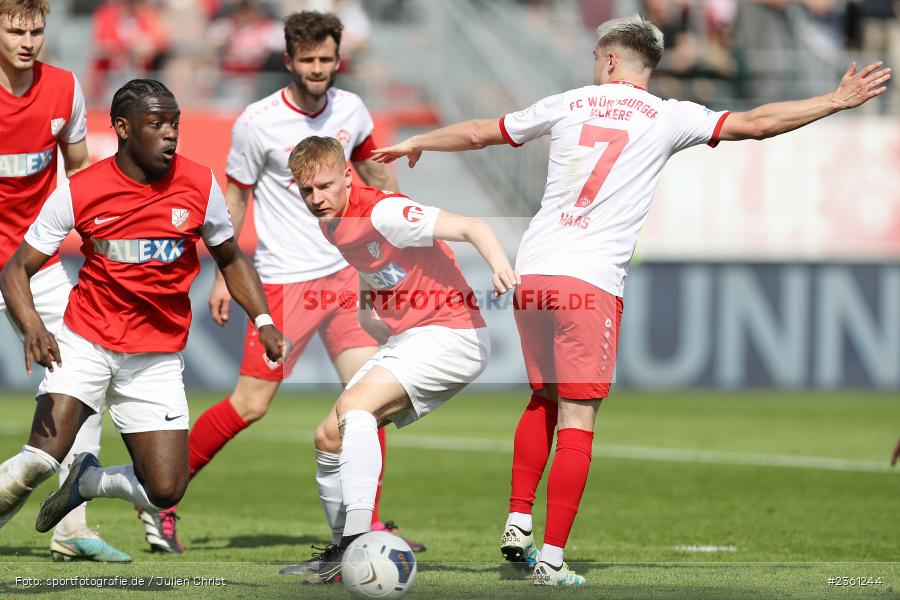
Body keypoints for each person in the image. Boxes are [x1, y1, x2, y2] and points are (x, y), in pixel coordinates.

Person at [372, 15, 891, 587]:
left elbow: (478, 133)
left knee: (543, 397)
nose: (593, 67)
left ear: (611, 60)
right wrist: (836, 100)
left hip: (534, 272)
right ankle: (550, 560)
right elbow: (759, 123)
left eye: (597, 58)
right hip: (589, 282)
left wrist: (418, 139)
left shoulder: (571, 103)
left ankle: (519, 518)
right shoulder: (671, 116)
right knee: (579, 417)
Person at [135, 9, 422, 561]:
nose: (319, 69)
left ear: (340, 58)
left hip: (346, 278)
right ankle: (159, 498)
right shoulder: (257, 121)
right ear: (288, 60)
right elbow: (235, 197)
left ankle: (368, 525)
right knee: (249, 405)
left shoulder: (353, 109)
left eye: (327, 59)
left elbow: (375, 178)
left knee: (368, 399)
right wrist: (226, 271)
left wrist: (404, 228)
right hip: (285, 281)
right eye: (308, 60)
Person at [0, 79, 286, 541]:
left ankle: (89, 481)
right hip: (86, 341)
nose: (171, 134)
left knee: (166, 489)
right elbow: (15, 270)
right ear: (122, 128)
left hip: (155, 356)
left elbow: (231, 257)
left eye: (175, 123)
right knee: (40, 459)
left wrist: (265, 320)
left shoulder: (199, 183)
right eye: (157, 124)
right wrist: (33, 325)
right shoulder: (82, 189)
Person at [288, 136, 517, 585]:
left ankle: (356, 541)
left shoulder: (385, 212)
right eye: (307, 191)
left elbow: (475, 227)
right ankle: (340, 551)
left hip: (454, 334)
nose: (316, 199)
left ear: (347, 177)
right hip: (416, 335)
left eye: (325, 187)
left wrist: (499, 267)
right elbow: (376, 268)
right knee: (328, 436)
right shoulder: (332, 223)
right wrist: (367, 308)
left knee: (356, 411)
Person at [0, 0, 131, 563]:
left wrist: (103, 242)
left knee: (83, 377)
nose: (27, 40)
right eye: (13, 29)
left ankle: (71, 526)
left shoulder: (65, 89)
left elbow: (80, 174)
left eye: (36, 29)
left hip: (36, 263)